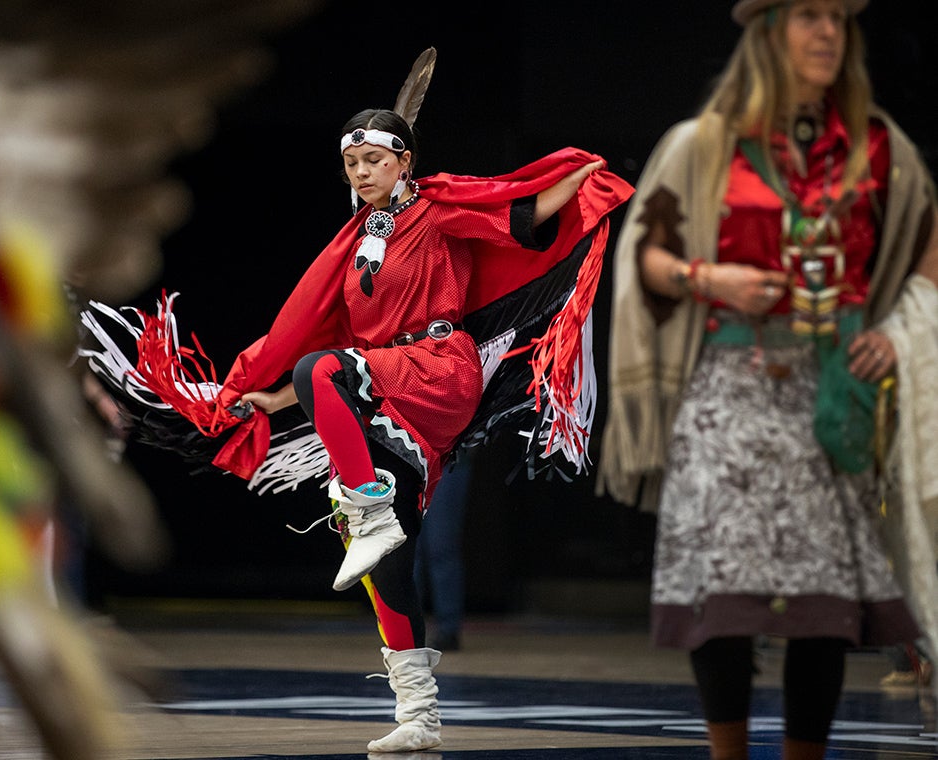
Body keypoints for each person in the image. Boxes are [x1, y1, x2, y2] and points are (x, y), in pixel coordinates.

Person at [81, 49, 634, 753]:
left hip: (437, 368)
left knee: (324, 373)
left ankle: (364, 504)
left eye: (373, 159)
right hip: (384, 391)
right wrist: (261, 402)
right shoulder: (356, 247)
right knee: (385, 566)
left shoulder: (437, 212)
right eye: (352, 164)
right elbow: (321, 351)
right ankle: (419, 714)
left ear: (405, 162)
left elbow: (520, 217)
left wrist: (582, 176)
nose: (362, 172)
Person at [598, 2, 938, 759]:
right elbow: (646, 252)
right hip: (731, 390)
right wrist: (706, 275)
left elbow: (926, 245)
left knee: (823, 605)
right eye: (808, 15)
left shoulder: (874, 145)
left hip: (832, 392)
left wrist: (895, 332)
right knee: (726, 598)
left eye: (839, 20)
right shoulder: (706, 143)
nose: (827, 33)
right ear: (767, 33)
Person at [414, 447, 473, 652]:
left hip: (448, 457)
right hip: (409, 458)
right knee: (409, 548)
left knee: (441, 546)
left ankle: (448, 629)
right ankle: (406, 627)